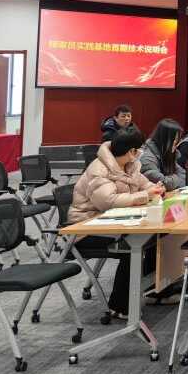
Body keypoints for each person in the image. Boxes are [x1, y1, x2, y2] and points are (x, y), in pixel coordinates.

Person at [68, 127, 166, 318]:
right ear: (131, 151)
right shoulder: (99, 169)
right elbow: (108, 201)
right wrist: (145, 195)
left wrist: (154, 188)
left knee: (158, 236)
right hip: (87, 228)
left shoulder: (130, 164)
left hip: (114, 222)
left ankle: (156, 290)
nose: (140, 152)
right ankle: (121, 306)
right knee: (133, 244)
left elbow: (143, 183)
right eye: (139, 149)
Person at [139, 118, 187, 191]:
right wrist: (176, 178)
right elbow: (163, 183)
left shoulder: (167, 152)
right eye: (175, 140)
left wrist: (174, 179)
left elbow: (184, 175)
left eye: (178, 140)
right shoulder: (147, 157)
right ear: (164, 139)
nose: (177, 144)